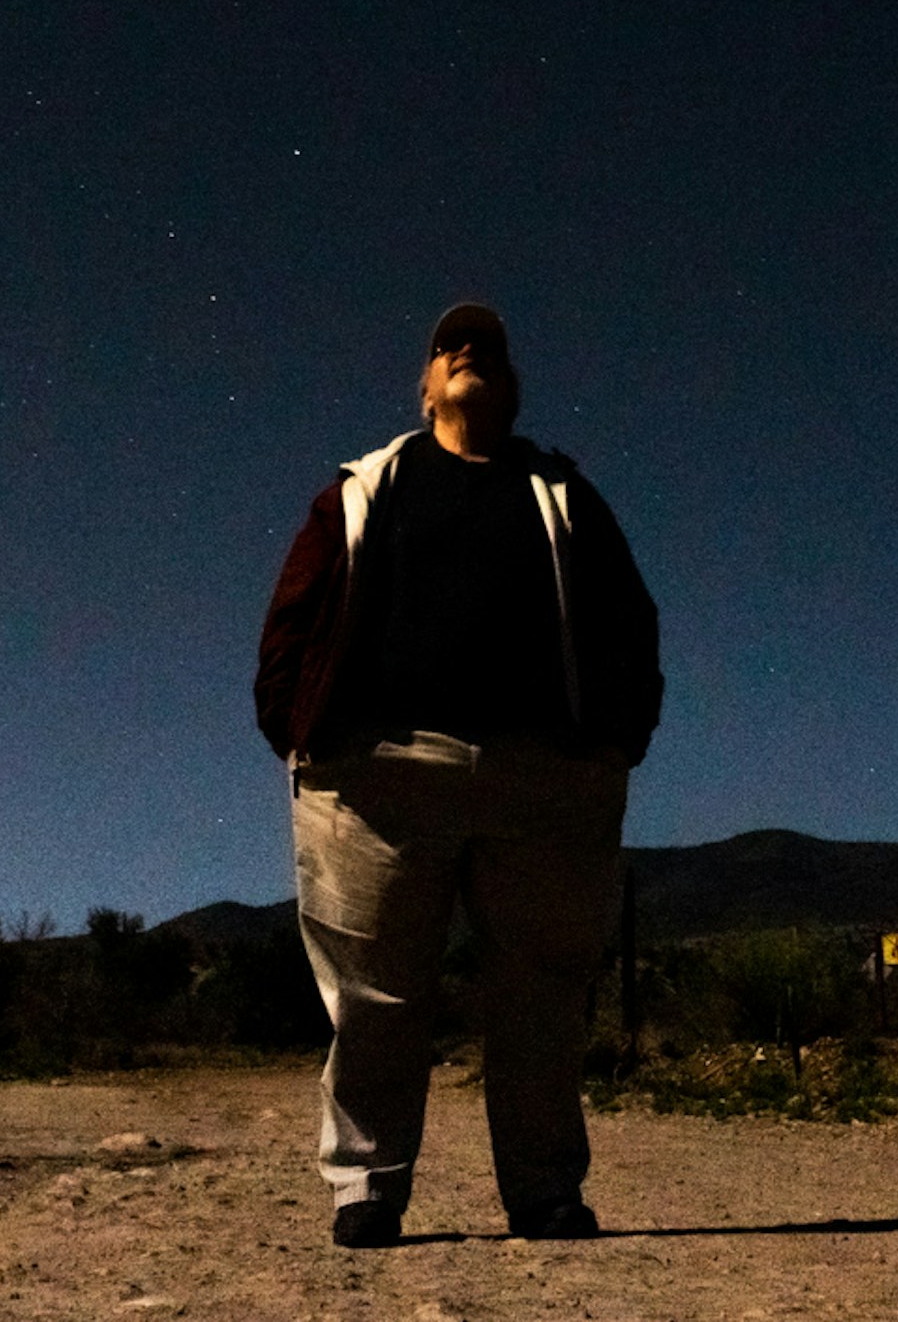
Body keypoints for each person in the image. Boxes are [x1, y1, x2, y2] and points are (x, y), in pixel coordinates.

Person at [253, 301, 663, 1248]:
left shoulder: (562, 493)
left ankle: (545, 1191)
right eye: (449, 346)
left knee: (541, 996)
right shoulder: (362, 488)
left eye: (487, 347)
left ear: (511, 390)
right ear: (428, 385)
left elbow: (628, 619)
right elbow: (296, 610)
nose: (467, 350)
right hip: (385, 771)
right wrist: (298, 729)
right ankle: (366, 1185)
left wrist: (616, 741)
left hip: (543, 777)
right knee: (375, 993)